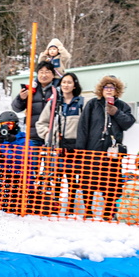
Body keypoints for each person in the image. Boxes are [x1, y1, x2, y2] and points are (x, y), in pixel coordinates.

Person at [75, 75, 134, 222]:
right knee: (88, 180)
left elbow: (129, 123)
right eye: (106, 87)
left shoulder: (122, 106)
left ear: (116, 90)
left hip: (112, 151)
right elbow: (83, 126)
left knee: (111, 182)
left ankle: (108, 211)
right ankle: (88, 209)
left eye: (112, 87)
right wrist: (80, 149)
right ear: (101, 89)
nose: (109, 90)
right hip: (92, 149)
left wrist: (115, 112)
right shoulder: (93, 104)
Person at [36, 71, 84, 215]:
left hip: (74, 146)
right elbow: (41, 123)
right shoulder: (54, 102)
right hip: (57, 146)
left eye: (69, 82)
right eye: (64, 82)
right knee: (56, 176)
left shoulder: (81, 103)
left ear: (75, 85)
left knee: (72, 178)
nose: (66, 85)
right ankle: (55, 205)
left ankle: (70, 206)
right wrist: (48, 135)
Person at [0, 111, 36, 212]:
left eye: (9, 125)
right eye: (3, 125)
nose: (6, 128)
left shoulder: (25, 141)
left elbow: (20, 161)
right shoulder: (0, 141)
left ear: (15, 125)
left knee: (2, 174)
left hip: (19, 180)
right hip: (3, 178)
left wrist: (9, 144)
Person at [11, 61, 57, 144]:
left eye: (47, 72)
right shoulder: (31, 89)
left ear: (53, 75)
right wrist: (21, 98)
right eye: (41, 72)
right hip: (32, 135)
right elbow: (16, 108)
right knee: (33, 156)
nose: (44, 75)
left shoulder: (57, 91)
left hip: (51, 134)